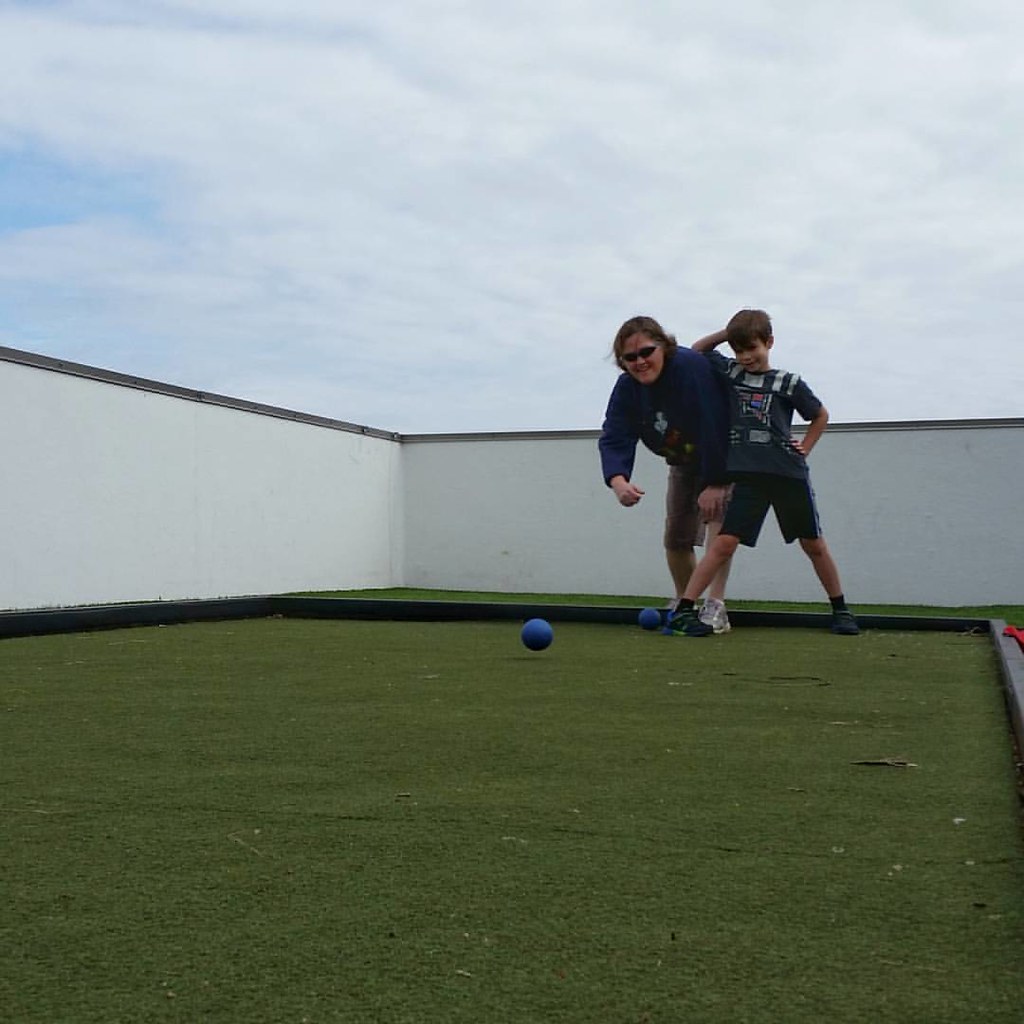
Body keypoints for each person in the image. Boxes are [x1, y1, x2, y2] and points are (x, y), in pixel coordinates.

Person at [668, 308, 860, 637]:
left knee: (813, 544)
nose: (746, 357)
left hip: (787, 474)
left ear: (769, 342)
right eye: (739, 350)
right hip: (747, 476)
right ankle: (685, 609)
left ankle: (840, 609)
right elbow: (696, 351)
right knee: (724, 543)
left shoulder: (789, 382)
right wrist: (728, 334)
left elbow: (820, 415)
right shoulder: (730, 372)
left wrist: (807, 446)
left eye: (752, 348)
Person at [599, 315, 734, 631]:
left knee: (718, 524)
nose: (640, 362)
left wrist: (716, 481)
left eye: (646, 352)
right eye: (630, 358)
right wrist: (618, 481)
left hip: (721, 451)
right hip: (682, 460)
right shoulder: (627, 389)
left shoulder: (689, 367)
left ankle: (716, 606)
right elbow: (615, 434)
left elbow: (715, 420)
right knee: (676, 537)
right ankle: (685, 603)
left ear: (664, 347)